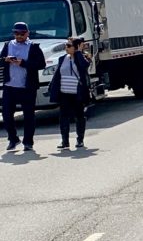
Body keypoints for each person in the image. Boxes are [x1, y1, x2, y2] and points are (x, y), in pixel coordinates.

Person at [2, 22, 46, 152]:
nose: (19, 36)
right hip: (10, 86)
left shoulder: (33, 47)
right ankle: (13, 139)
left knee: (28, 116)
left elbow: (41, 64)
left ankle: (28, 142)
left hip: (27, 87)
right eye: (16, 33)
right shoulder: (8, 45)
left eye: (22, 33)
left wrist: (23, 63)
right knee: (6, 115)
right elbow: (1, 59)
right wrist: (6, 59)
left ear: (27, 33)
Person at [48, 38, 91, 149]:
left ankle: (80, 140)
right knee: (63, 117)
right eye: (66, 46)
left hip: (77, 93)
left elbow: (84, 66)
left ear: (75, 47)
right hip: (64, 93)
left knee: (79, 116)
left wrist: (78, 52)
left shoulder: (81, 58)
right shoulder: (62, 59)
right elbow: (58, 75)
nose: (66, 48)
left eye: (68, 45)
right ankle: (64, 141)